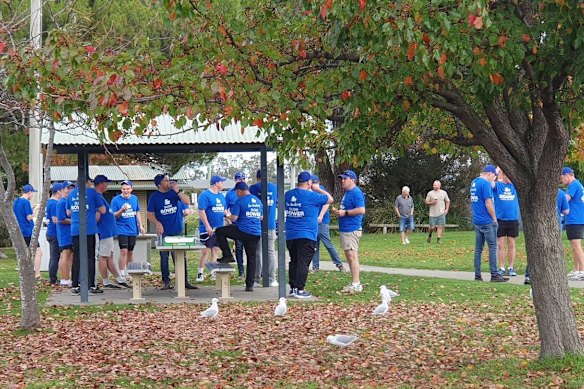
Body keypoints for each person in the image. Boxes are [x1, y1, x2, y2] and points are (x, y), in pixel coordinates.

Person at [285, 172, 333, 298]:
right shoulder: (312, 196)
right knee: (303, 262)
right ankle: (300, 289)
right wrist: (317, 188)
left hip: (291, 234)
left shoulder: (288, 194)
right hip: (307, 234)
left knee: (294, 261)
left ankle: (293, 287)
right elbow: (330, 199)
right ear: (309, 183)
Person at [147, 173, 196, 290]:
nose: (169, 182)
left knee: (180, 256)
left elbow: (187, 202)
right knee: (164, 257)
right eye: (166, 180)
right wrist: (157, 223)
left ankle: (184, 281)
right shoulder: (154, 197)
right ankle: (166, 281)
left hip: (177, 229)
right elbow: (149, 214)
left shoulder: (174, 193)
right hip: (164, 232)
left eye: (169, 180)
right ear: (159, 184)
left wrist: (177, 191)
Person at [215, 182, 262, 292]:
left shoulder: (240, 201)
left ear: (239, 191)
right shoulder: (258, 201)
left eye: (236, 192)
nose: (236, 194)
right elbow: (262, 217)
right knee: (252, 258)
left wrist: (226, 214)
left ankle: (227, 255)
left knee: (220, 231)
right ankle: (249, 285)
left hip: (243, 230)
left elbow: (234, 218)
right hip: (256, 233)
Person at [67, 177, 107, 295]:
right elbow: (103, 210)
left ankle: (75, 284)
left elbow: (68, 212)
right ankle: (91, 284)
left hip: (75, 229)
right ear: (88, 182)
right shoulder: (92, 193)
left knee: (77, 257)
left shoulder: (71, 194)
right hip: (89, 229)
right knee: (90, 257)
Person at [470, 165, 507, 282]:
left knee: (478, 249)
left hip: (477, 220)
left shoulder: (474, 182)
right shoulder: (485, 184)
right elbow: (488, 203)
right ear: (490, 174)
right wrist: (494, 218)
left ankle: (477, 275)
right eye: (494, 177)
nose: (494, 179)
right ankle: (494, 274)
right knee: (493, 247)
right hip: (487, 220)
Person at [525, 188, 569, 285]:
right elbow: (566, 211)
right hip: (555, 224)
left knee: (536, 250)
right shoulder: (561, 193)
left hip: (539, 224)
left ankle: (528, 275)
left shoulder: (538, 191)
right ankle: (553, 275)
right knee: (553, 250)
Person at [94, 175, 129, 289]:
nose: (107, 185)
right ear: (101, 184)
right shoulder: (97, 197)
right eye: (106, 183)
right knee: (103, 256)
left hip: (109, 232)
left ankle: (118, 278)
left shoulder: (101, 197)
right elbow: (97, 216)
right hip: (103, 232)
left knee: (110, 256)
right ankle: (105, 281)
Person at [335, 170, 366, 293]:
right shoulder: (348, 193)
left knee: (352, 256)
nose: (342, 181)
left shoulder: (356, 193)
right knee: (349, 255)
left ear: (352, 180)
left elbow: (361, 210)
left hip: (351, 229)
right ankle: (355, 282)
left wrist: (345, 213)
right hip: (345, 228)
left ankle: (356, 283)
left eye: (345, 179)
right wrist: (340, 212)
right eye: (342, 179)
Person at [196, 175, 228, 282]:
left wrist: (229, 219)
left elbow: (223, 211)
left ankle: (213, 271)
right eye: (221, 182)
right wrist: (207, 226)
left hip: (219, 229)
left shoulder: (221, 197)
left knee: (216, 250)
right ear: (216, 183)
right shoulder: (205, 195)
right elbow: (201, 211)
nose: (223, 184)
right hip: (207, 229)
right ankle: (200, 273)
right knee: (206, 251)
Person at [249, 169, 278, 286]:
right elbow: (276, 203)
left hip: (256, 225)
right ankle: (272, 279)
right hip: (270, 223)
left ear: (257, 177)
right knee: (270, 251)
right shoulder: (274, 188)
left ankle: (256, 279)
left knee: (257, 252)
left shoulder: (253, 188)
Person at [310, 175, 344, 272]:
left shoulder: (321, 190)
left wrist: (320, 216)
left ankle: (339, 264)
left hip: (322, 222)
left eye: (316, 183)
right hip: (313, 222)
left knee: (327, 243)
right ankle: (315, 266)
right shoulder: (311, 192)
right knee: (314, 245)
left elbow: (327, 203)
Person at [111, 180, 145, 278]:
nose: (126, 191)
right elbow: (113, 216)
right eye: (124, 189)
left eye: (128, 189)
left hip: (133, 229)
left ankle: (131, 273)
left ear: (131, 189)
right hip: (121, 229)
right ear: (121, 190)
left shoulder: (134, 198)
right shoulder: (116, 200)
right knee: (124, 251)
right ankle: (121, 274)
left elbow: (137, 212)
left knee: (130, 252)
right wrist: (122, 210)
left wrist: (141, 225)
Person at [492, 169, 520, 277]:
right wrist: (497, 172)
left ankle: (511, 267)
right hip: (500, 220)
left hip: (512, 219)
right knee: (500, 244)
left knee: (511, 244)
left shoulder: (515, 186)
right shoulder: (498, 185)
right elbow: (490, 183)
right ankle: (502, 267)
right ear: (503, 175)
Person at [13, 184, 43, 280]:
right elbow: (29, 217)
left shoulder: (16, 201)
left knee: (25, 253)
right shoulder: (26, 202)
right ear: (29, 192)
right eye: (32, 193)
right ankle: (37, 274)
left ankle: (26, 273)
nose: (33, 195)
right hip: (28, 231)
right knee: (38, 252)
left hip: (20, 231)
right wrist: (36, 208)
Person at [561, 167, 584, 281]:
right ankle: (576, 269)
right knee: (574, 246)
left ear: (567, 175)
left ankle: (582, 271)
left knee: (577, 246)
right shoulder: (577, 184)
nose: (562, 181)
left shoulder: (574, 185)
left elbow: (565, 199)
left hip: (575, 219)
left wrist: (557, 198)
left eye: (562, 178)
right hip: (575, 219)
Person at [225, 171, 247, 277]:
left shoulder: (248, 192)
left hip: (247, 224)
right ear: (235, 180)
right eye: (239, 179)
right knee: (239, 248)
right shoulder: (230, 194)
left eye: (243, 179)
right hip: (236, 224)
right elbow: (225, 209)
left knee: (251, 248)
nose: (241, 181)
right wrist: (230, 222)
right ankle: (241, 270)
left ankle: (255, 271)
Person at [56, 181, 75, 287]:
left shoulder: (70, 202)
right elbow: (61, 219)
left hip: (71, 233)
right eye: (67, 188)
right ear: (62, 190)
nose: (69, 190)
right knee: (65, 254)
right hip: (64, 233)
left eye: (71, 188)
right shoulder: (62, 202)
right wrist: (75, 221)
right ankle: (64, 279)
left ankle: (69, 277)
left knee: (70, 256)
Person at [45, 182, 63, 284]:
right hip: (54, 233)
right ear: (58, 192)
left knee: (55, 256)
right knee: (55, 256)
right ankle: (53, 278)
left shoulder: (50, 202)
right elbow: (55, 220)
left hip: (52, 232)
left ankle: (54, 277)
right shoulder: (53, 203)